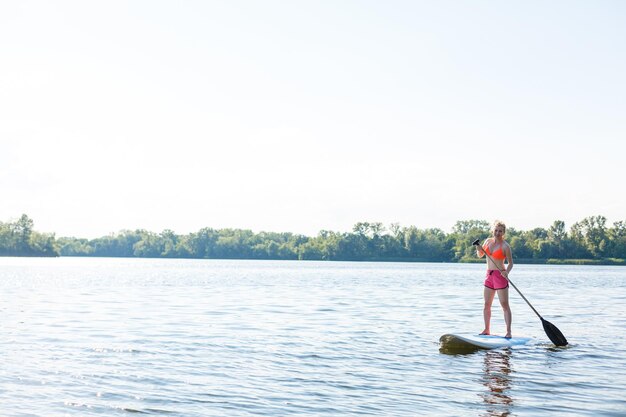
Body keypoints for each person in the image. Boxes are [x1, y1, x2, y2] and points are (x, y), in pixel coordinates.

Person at [476, 220, 514, 338]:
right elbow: (480, 255)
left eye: (500, 231)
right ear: (493, 230)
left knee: (504, 304)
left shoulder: (505, 246)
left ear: (503, 233)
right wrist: (478, 248)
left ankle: (508, 331)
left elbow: (511, 263)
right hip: (489, 276)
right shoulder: (487, 241)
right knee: (487, 304)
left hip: (500, 276)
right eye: (496, 230)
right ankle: (487, 329)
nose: (497, 233)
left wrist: (506, 272)